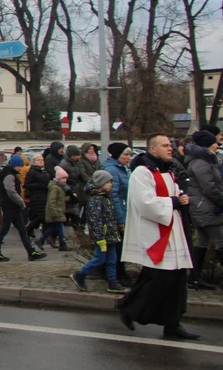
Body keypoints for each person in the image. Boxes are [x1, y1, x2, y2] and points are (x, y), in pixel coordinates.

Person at [116, 133, 198, 340]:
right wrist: (174, 202)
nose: (170, 148)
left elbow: (173, 195)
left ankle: (172, 325)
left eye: (170, 145)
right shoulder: (142, 172)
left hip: (173, 231)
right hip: (157, 234)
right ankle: (128, 308)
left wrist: (182, 198)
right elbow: (145, 203)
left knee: (176, 281)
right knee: (160, 279)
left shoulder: (167, 171)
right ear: (152, 149)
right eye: (164, 145)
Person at [69, 170, 125, 293]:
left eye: (111, 182)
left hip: (110, 236)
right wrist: (100, 238)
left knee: (112, 259)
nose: (110, 184)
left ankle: (112, 282)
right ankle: (79, 274)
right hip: (102, 237)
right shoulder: (95, 200)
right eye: (108, 182)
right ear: (100, 184)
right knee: (100, 259)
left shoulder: (106, 198)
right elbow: (95, 221)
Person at [184, 130, 222, 291]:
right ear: (207, 145)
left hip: (202, 207)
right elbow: (209, 188)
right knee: (221, 242)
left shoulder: (204, 161)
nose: (217, 144)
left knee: (202, 243)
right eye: (214, 142)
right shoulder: (201, 163)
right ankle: (194, 278)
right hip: (205, 208)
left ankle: (194, 278)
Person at [0, 157, 47, 262]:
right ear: (13, 165)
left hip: (13, 207)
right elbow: (11, 191)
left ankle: (31, 252)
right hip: (9, 206)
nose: (20, 168)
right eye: (19, 166)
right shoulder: (9, 176)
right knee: (4, 229)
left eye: (21, 166)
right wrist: (21, 202)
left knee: (22, 230)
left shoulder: (11, 174)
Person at [104, 142, 134, 284]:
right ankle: (116, 275)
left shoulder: (124, 168)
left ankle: (120, 273)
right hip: (117, 213)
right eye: (126, 155)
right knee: (117, 246)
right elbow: (113, 196)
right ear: (117, 155)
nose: (129, 158)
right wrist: (120, 220)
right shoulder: (112, 170)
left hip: (125, 209)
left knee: (122, 245)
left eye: (130, 155)